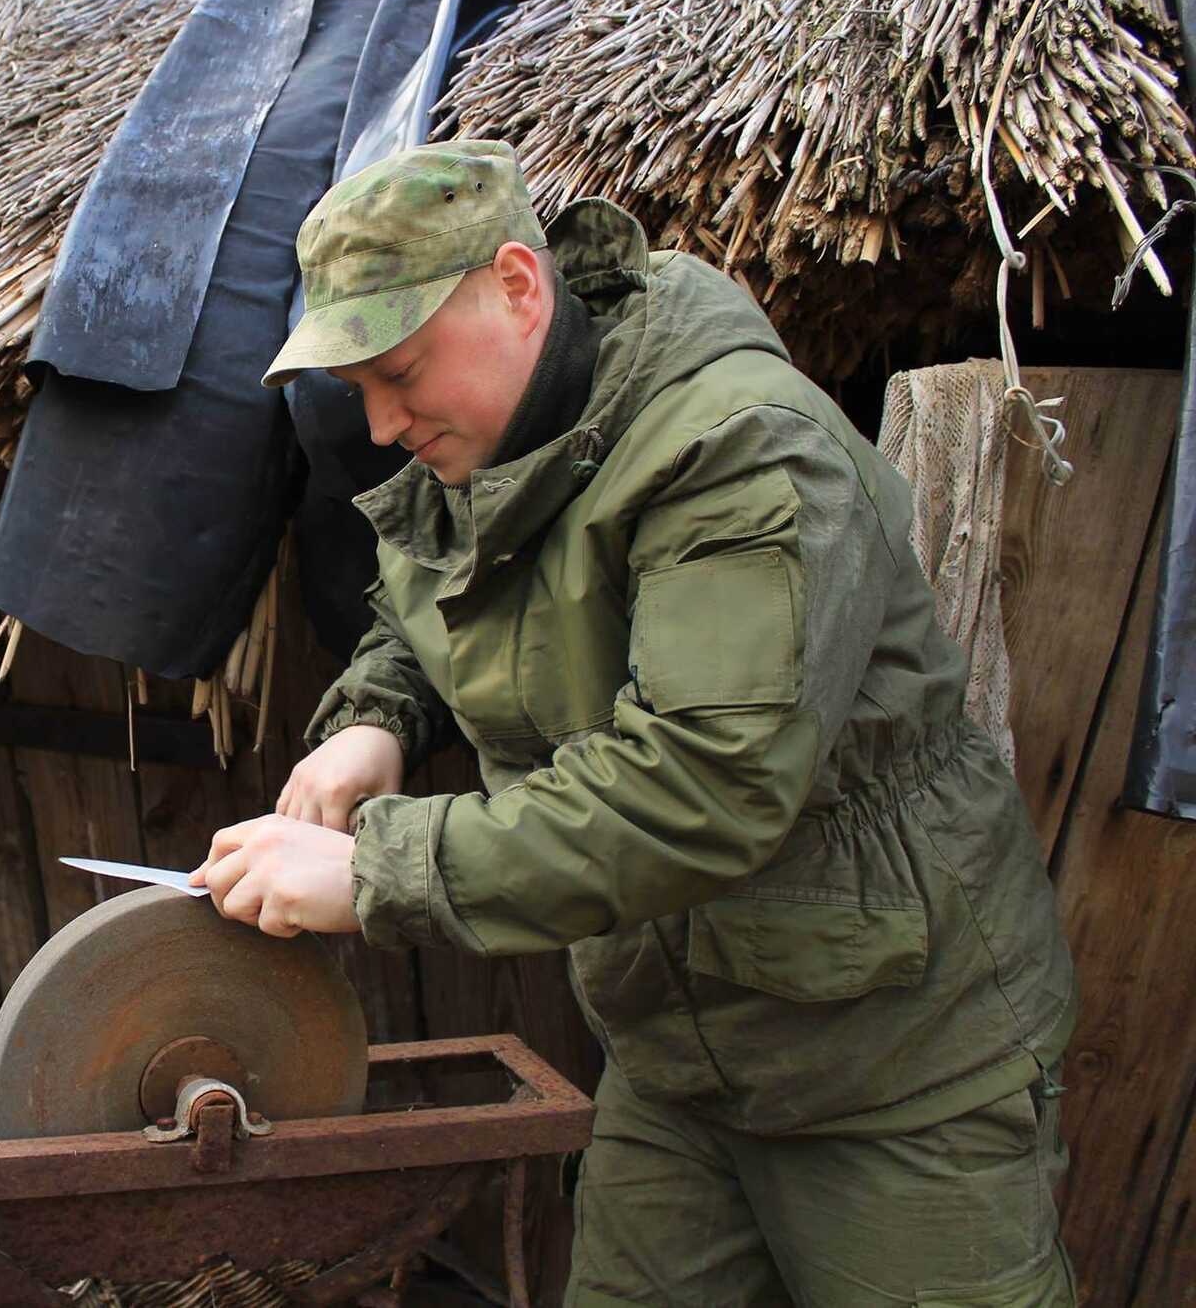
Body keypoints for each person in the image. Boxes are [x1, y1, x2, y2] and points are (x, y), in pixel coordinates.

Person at [189, 139, 1079, 1307]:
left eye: (400, 370)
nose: (382, 421)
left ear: (516, 286)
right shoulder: (490, 447)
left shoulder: (737, 450)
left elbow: (703, 779)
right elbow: (433, 604)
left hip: (890, 1063)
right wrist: (377, 719)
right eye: (354, 388)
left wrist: (378, 871)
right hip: (674, 1065)